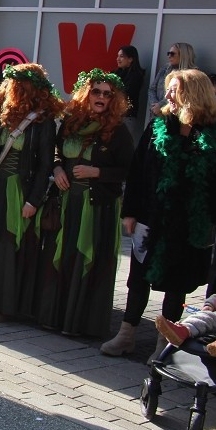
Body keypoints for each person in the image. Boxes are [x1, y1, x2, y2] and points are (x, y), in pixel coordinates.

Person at [103, 69, 216, 358]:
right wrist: (130, 212)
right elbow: (137, 171)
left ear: (194, 94)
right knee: (138, 277)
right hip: (152, 215)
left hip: (188, 223)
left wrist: (212, 218)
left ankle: (165, 344)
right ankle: (126, 335)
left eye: (174, 90)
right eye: (168, 90)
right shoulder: (158, 126)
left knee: (177, 284)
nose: (168, 96)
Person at [37, 69, 133, 338]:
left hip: (97, 206)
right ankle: (53, 316)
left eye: (107, 94)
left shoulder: (118, 130)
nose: (101, 97)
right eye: (96, 91)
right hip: (67, 202)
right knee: (61, 257)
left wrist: (97, 173)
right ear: (86, 94)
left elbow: (129, 170)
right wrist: (56, 170)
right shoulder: (71, 121)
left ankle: (79, 323)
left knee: (84, 259)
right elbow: (56, 151)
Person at [0, 63, 63, 321]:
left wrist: (33, 200)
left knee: (10, 246)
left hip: (19, 190)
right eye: (12, 85)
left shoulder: (43, 122)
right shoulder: (4, 115)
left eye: (20, 86)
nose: (13, 90)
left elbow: (44, 166)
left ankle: (3, 306)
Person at [148, 42, 196, 118]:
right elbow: (152, 88)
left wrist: (160, 105)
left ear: (183, 55)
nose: (169, 56)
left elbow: (182, 95)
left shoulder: (191, 75)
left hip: (174, 116)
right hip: (156, 114)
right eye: (168, 53)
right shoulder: (165, 69)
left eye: (172, 54)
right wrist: (154, 104)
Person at [114, 45, 146, 144]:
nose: (118, 59)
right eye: (118, 56)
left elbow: (126, 93)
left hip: (127, 117)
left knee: (123, 145)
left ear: (131, 59)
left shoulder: (136, 76)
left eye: (122, 56)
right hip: (113, 115)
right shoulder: (116, 74)